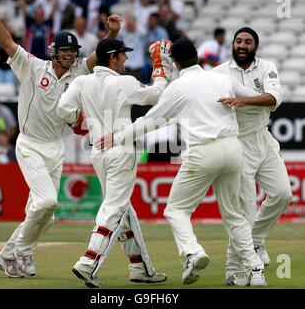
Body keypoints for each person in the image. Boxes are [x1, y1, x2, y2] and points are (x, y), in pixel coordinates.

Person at [96, 37, 268, 287]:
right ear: (197, 56)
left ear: (174, 62)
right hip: (233, 150)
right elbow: (255, 99)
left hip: (202, 152)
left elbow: (149, 121)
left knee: (175, 210)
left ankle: (193, 252)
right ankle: (255, 270)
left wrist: (117, 137)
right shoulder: (221, 78)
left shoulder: (177, 88)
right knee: (235, 214)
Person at [0, 0, 122, 278]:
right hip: (30, 145)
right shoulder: (32, 67)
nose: (70, 55)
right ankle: (22, 251)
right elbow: (7, 42)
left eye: (73, 52)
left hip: (56, 148)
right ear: (54, 51)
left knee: (45, 216)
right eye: (66, 51)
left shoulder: (78, 74)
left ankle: (5, 256)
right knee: (47, 203)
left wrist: (114, 33)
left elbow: (99, 54)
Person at [57, 37, 172, 288]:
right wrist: (161, 66)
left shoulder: (82, 82)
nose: (126, 59)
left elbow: (63, 109)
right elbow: (157, 94)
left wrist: (82, 123)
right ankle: (88, 262)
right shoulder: (124, 82)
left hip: (98, 153)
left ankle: (139, 267)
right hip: (120, 150)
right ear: (113, 57)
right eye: (123, 54)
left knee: (122, 210)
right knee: (114, 209)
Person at [213, 27, 292, 285]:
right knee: (244, 212)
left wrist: (243, 101)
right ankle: (233, 270)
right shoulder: (220, 72)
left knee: (282, 194)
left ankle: (256, 241)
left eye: (248, 41)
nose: (242, 45)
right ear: (233, 44)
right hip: (238, 143)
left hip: (263, 137)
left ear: (255, 46)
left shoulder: (266, 67)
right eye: (238, 41)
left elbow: (274, 99)